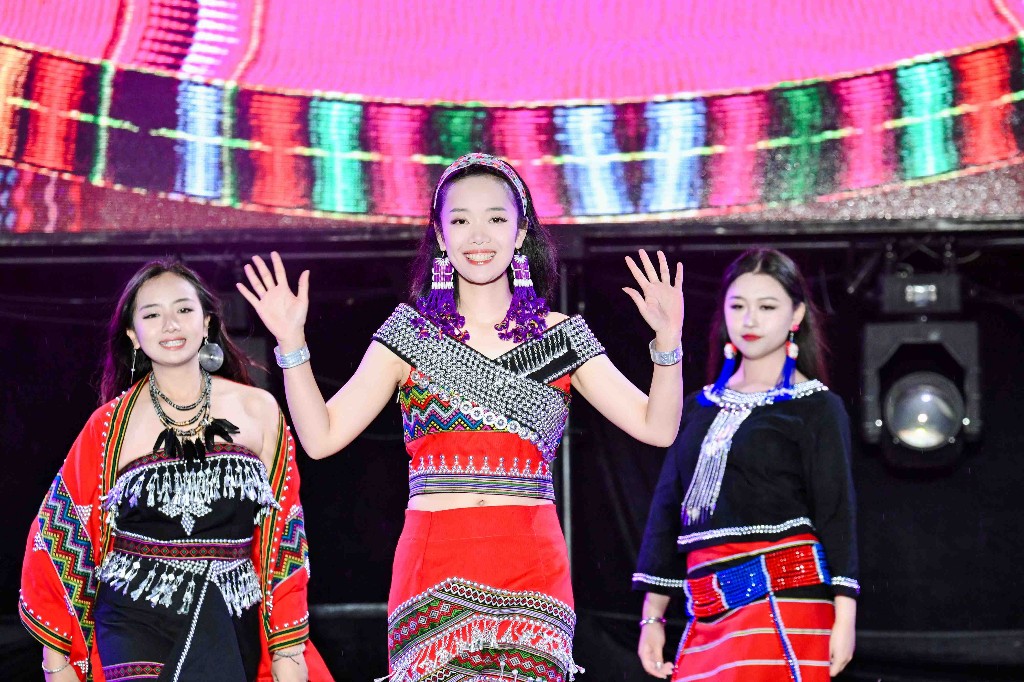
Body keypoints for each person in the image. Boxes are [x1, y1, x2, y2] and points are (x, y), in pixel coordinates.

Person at [235, 153, 686, 680]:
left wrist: (667, 343)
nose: (479, 235)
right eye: (460, 219)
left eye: (496, 218)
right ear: (441, 236)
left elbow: (657, 428)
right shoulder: (409, 335)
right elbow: (321, 437)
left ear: (521, 233)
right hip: (434, 562)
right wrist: (292, 344)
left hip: (532, 565)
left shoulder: (562, 336)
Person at [20, 260, 330, 682]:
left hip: (229, 617)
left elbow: (284, 535)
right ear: (133, 335)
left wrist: (287, 651)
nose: (170, 324)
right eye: (152, 315)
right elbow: (59, 536)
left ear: (207, 322)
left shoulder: (258, 410)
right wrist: (57, 663)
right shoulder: (110, 425)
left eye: (184, 309)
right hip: (132, 619)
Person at [634, 248, 858, 682]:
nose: (750, 320)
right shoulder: (697, 407)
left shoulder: (817, 407)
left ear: (796, 315)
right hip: (706, 613)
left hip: (786, 606)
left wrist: (845, 617)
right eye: (737, 306)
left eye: (767, 307)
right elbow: (667, 512)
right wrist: (652, 616)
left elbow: (837, 511)